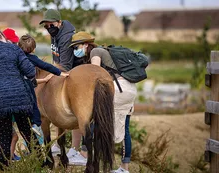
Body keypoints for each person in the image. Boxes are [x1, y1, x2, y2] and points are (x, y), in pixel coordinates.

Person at [69, 31, 137, 173]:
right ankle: (124, 168)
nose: (75, 51)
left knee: (94, 120)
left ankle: (84, 153)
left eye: (77, 47)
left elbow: (96, 75)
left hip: (118, 88)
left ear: (86, 45)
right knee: (124, 127)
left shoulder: (95, 52)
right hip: (128, 88)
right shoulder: (105, 51)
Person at [0, 28, 39, 169]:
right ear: (1, 36)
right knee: (27, 133)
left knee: (4, 138)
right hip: (20, 99)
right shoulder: (13, 48)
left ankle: (4, 168)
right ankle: (41, 163)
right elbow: (30, 71)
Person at [39, 8, 87, 165]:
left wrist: (51, 73)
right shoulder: (56, 34)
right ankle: (68, 148)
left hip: (73, 71)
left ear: (59, 22)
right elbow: (56, 57)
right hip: (63, 67)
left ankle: (78, 149)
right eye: (46, 26)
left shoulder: (66, 36)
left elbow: (64, 65)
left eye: (50, 25)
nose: (48, 28)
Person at [18, 34, 69, 136]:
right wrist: (59, 73)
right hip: (27, 86)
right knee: (34, 105)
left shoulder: (17, 57)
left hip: (17, 85)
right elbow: (46, 66)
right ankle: (36, 125)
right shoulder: (32, 58)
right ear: (33, 49)